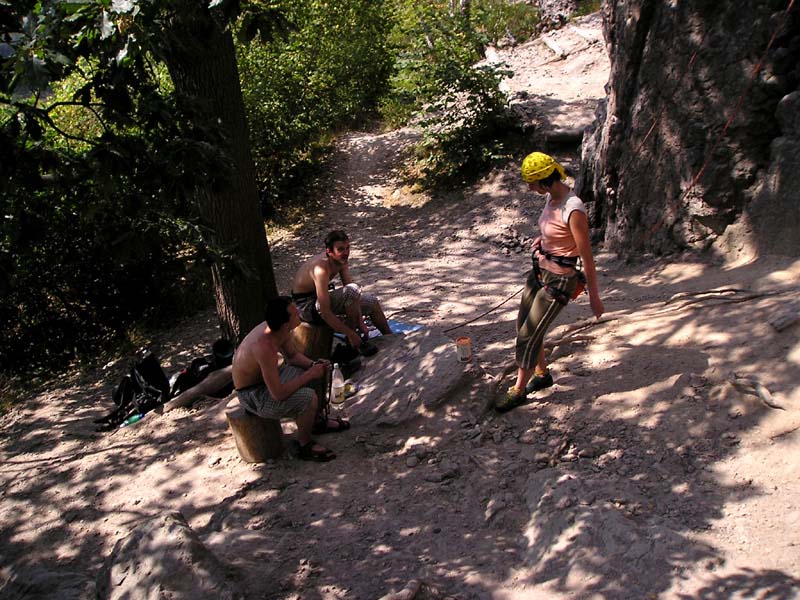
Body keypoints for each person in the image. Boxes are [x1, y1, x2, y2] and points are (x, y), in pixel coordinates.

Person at [495, 152, 605, 413]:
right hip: (539, 272)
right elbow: (554, 230)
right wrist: (542, 241)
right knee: (523, 325)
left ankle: (518, 390)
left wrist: (594, 296)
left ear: (546, 180)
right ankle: (542, 374)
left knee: (528, 335)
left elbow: (586, 256)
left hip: (559, 280)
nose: (530, 189)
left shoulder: (573, 209)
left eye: (532, 183)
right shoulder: (551, 198)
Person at [232, 296, 339, 462]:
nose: (299, 313)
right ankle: (305, 444)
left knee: (314, 370)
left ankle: (316, 421)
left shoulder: (279, 330)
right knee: (308, 398)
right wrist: (310, 374)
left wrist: (314, 365)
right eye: (295, 314)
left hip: (267, 381)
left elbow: (293, 356)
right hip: (253, 394)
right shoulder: (264, 347)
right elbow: (278, 394)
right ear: (285, 324)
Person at [291, 230, 392, 357]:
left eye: (347, 248)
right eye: (340, 249)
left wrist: (360, 322)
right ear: (329, 252)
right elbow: (325, 311)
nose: (346, 253)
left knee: (371, 301)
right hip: (306, 306)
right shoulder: (320, 269)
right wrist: (351, 333)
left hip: (320, 298)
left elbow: (353, 295)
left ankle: (391, 338)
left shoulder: (341, 261)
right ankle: (351, 344)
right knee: (351, 291)